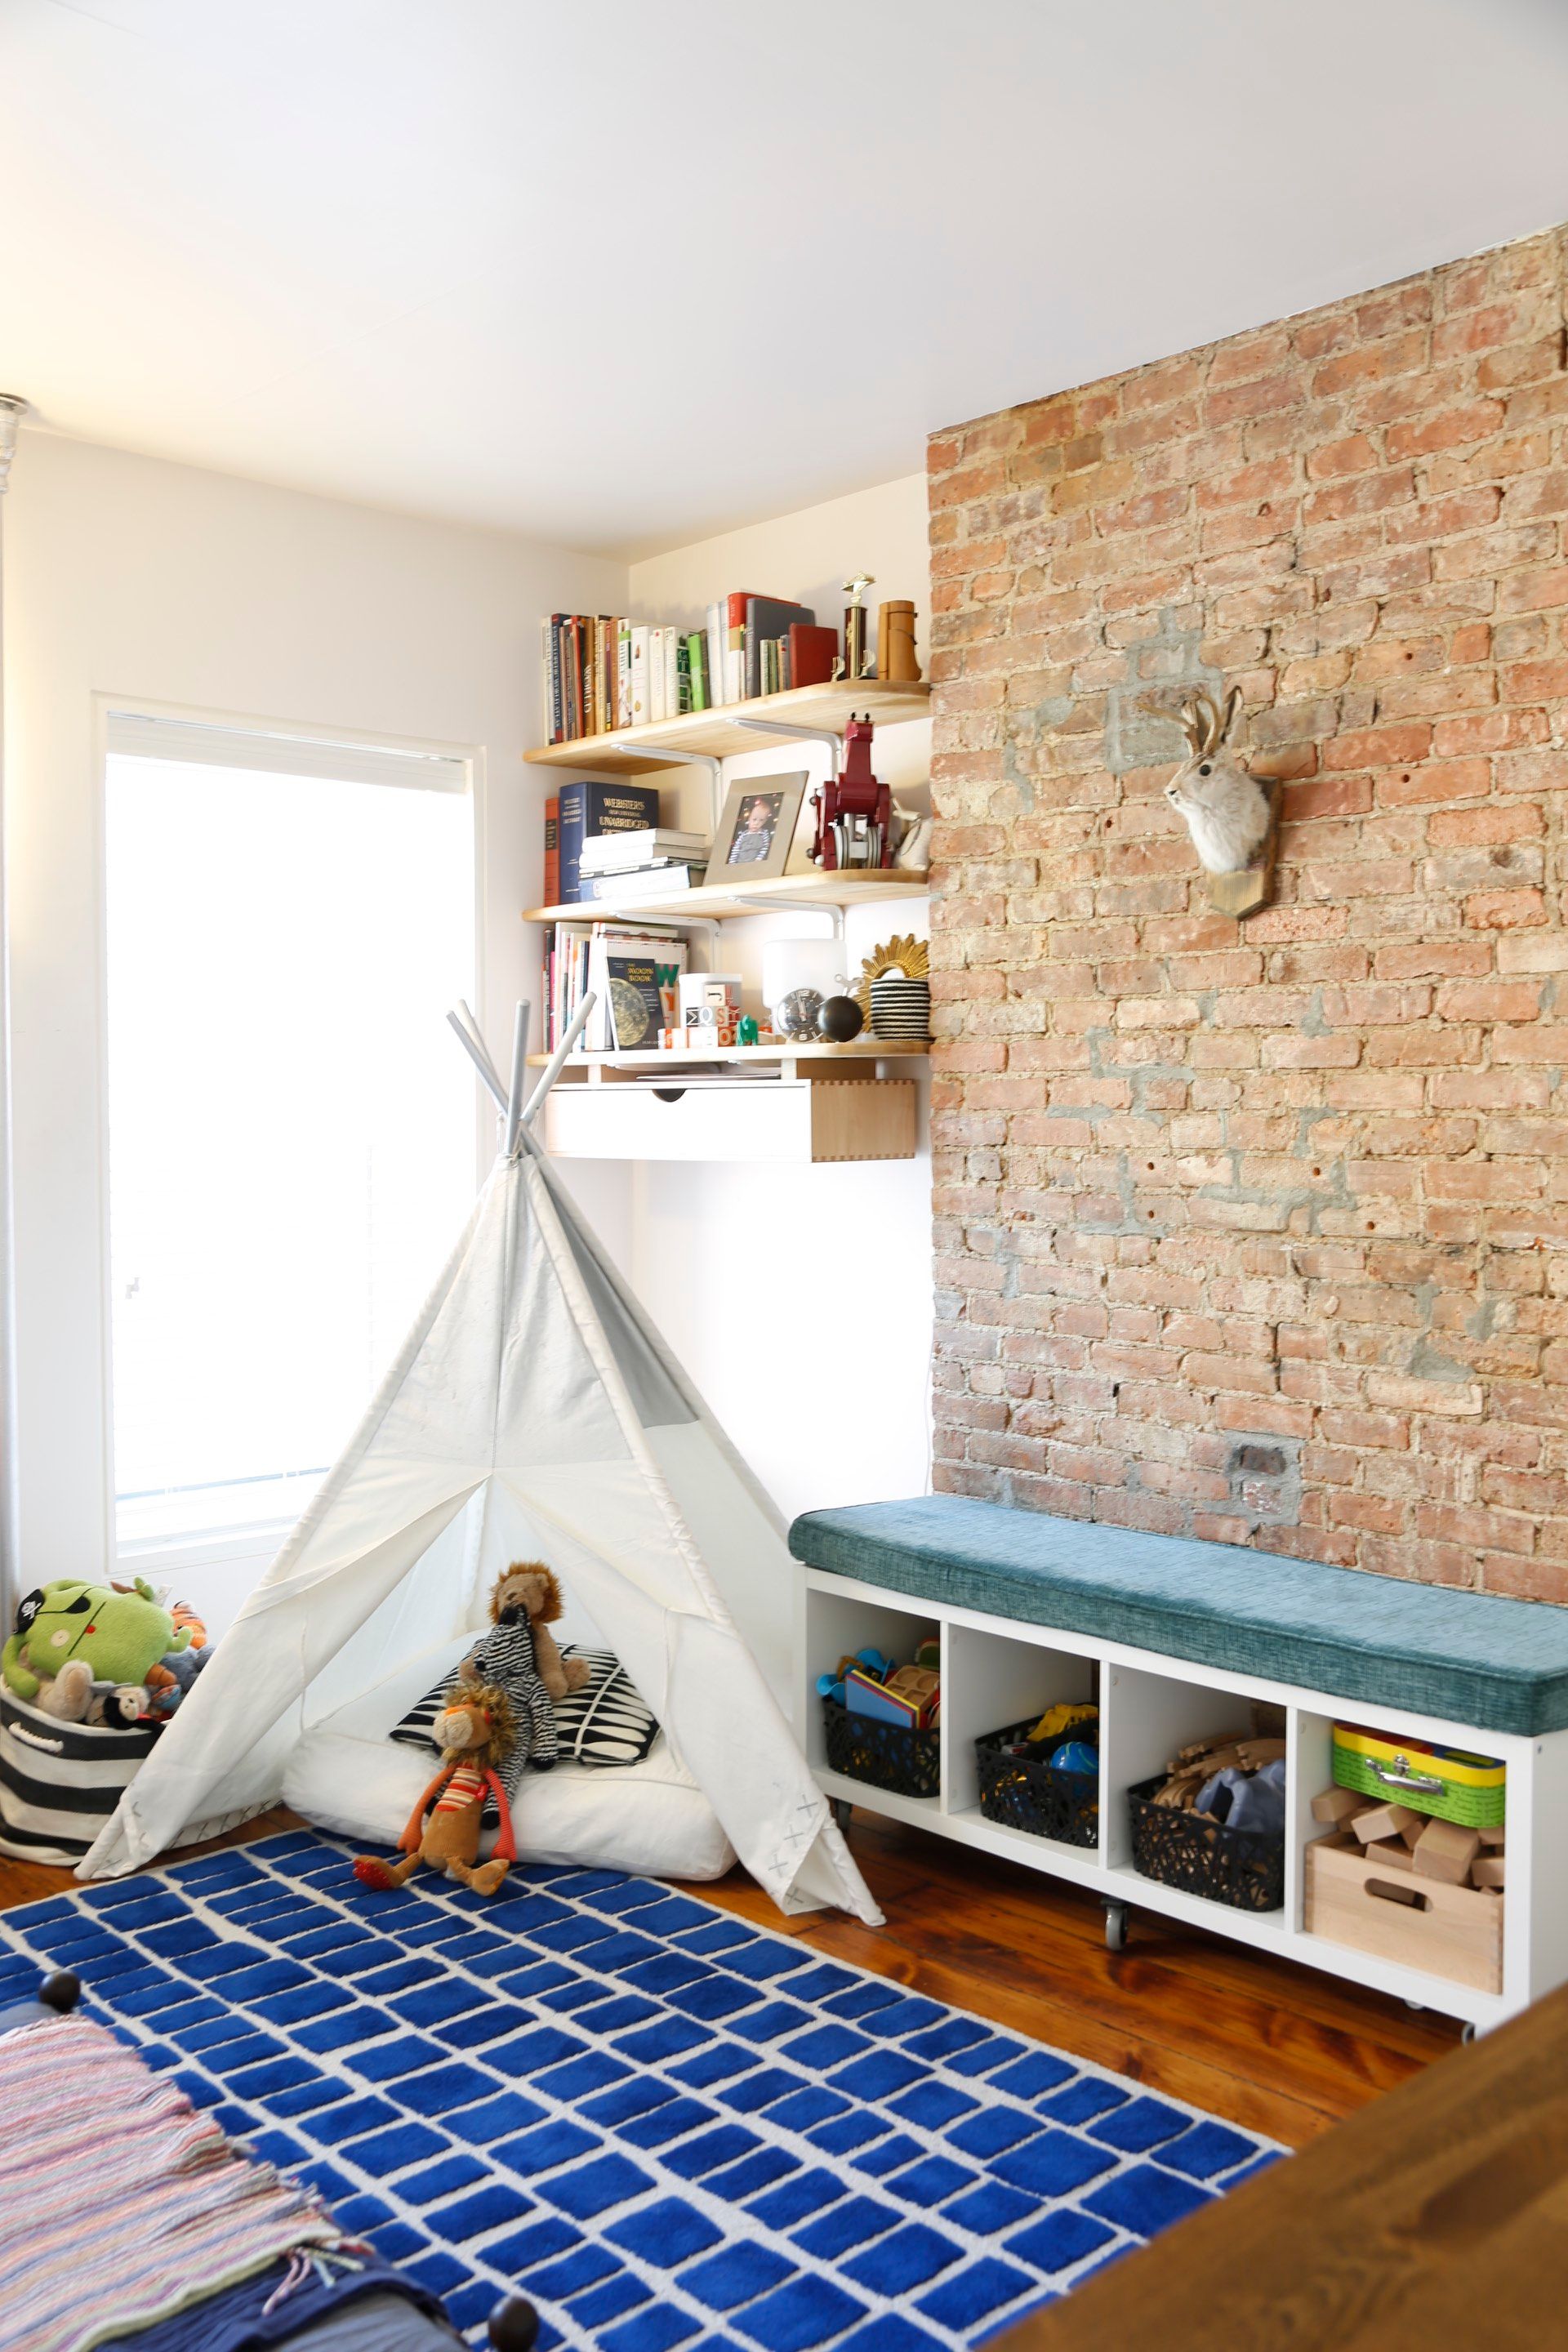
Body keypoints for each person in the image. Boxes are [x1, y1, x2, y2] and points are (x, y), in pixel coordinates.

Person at [728, 794, 778, 864]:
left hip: (753, 863)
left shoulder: (764, 834)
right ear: (749, 819)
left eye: (761, 820)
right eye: (754, 819)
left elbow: (764, 848)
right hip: (740, 862)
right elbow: (736, 850)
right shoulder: (743, 835)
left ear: (765, 821)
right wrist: (732, 863)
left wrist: (758, 859)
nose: (757, 823)